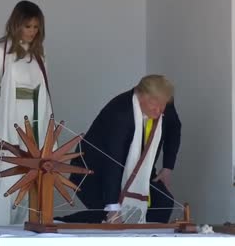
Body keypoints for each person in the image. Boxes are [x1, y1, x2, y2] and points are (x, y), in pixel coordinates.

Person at [56, 75, 178, 224]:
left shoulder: (164, 103)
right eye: (154, 104)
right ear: (141, 96)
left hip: (137, 170)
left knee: (163, 203)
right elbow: (112, 161)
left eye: (162, 105)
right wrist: (112, 207)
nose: (159, 111)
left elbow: (174, 128)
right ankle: (60, 224)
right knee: (107, 216)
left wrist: (167, 167)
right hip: (94, 171)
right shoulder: (120, 113)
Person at [0, 0, 53, 226]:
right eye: (27, 26)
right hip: (10, 130)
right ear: (17, 24)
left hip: (36, 127)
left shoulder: (40, 56)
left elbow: (45, 96)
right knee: (9, 184)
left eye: (35, 27)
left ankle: (27, 232)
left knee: (34, 184)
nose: (32, 32)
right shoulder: (1, 51)